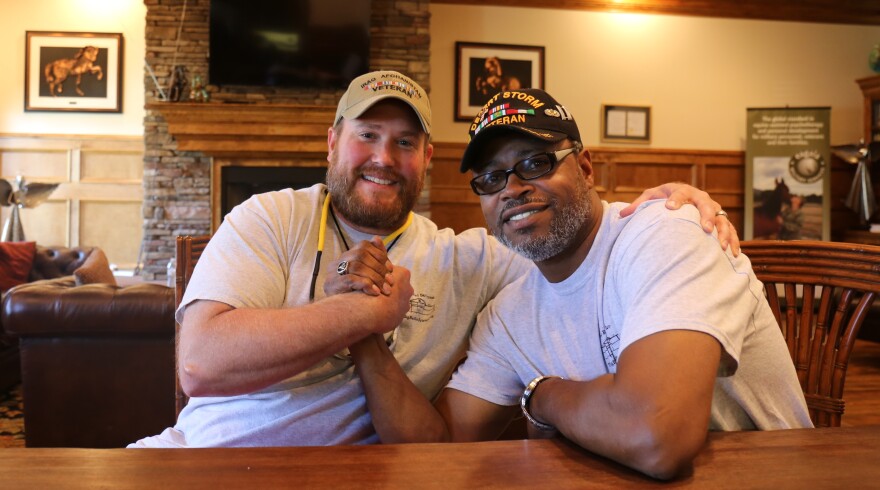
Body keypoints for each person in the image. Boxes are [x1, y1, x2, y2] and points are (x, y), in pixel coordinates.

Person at [129, 71, 737, 448]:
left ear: (427, 159)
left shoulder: (469, 258)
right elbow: (201, 365)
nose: (383, 157)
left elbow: (570, 230)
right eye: (367, 135)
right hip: (204, 459)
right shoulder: (271, 216)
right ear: (333, 142)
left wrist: (668, 203)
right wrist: (361, 316)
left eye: (405, 142)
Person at [348, 88, 812, 480]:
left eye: (535, 163)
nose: (511, 188)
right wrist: (362, 330)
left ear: (586, 168)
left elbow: (655, 434)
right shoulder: (510, 313)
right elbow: (439, 441)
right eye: (491, 178)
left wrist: (541, 395)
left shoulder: (667, 233)